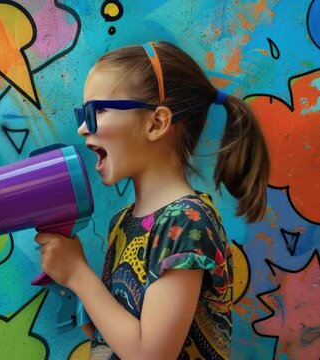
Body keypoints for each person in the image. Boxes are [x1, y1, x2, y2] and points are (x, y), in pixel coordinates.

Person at [35, 41, 270, 359]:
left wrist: (78, 274)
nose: (81, 128)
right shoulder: (124, 221)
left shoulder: (187, 221)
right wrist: (80, 292)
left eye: (97, 111)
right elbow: (118, 336)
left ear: (157, 123)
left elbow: (150, 354)